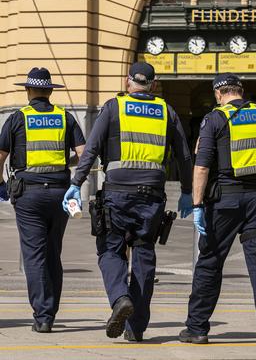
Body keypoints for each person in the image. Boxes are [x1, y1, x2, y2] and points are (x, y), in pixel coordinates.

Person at [65, 62, 193, 341]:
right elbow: (184, 156)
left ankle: (120, 298)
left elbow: (92, 148)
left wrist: (76, 183)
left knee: (110, 250)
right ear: (154, 84)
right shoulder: (166, 111)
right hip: (152, 196)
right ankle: (136, 330)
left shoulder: (114, 107)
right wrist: (187, 191)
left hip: (117, 193)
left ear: (128, 82)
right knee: (144, 256)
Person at [180, 73, 256, 352]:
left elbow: (201, 167)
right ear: (242, 90)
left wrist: (197, 205)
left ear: (218, 94)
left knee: (210, 263)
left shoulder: (214, 118)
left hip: (225, 202)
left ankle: (197, 328)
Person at [0, 67, 86, 333]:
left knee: (34, 255)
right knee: (52, 253)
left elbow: (0, 155)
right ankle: (51, 309)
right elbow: (83, 155)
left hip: (28, 195)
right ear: (50, 91)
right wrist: (66, 166)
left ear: (28, 91)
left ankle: (44, 316)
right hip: (60, 193)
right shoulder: (66, 117)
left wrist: (1, 185)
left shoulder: (17, 118)